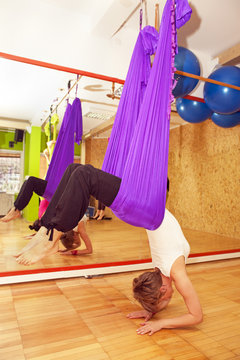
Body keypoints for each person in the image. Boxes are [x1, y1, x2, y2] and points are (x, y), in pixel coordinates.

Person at [14, 163, 121, 265]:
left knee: (82, 172)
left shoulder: (79, 227)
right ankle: (44, 230)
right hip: (127, 186)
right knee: (72, 168)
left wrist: (101, 206)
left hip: (132, 193)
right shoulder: (79, 228)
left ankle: (51, 241)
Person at [127, 209, 203, 335]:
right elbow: (166, 298)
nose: (164, 302)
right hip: (151, 211)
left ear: (162, 289)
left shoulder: (177, 273)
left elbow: (197, 317)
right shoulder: (157, 272)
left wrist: (160, 323)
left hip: (149, 205)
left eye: (160, 300)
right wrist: (151, 311)